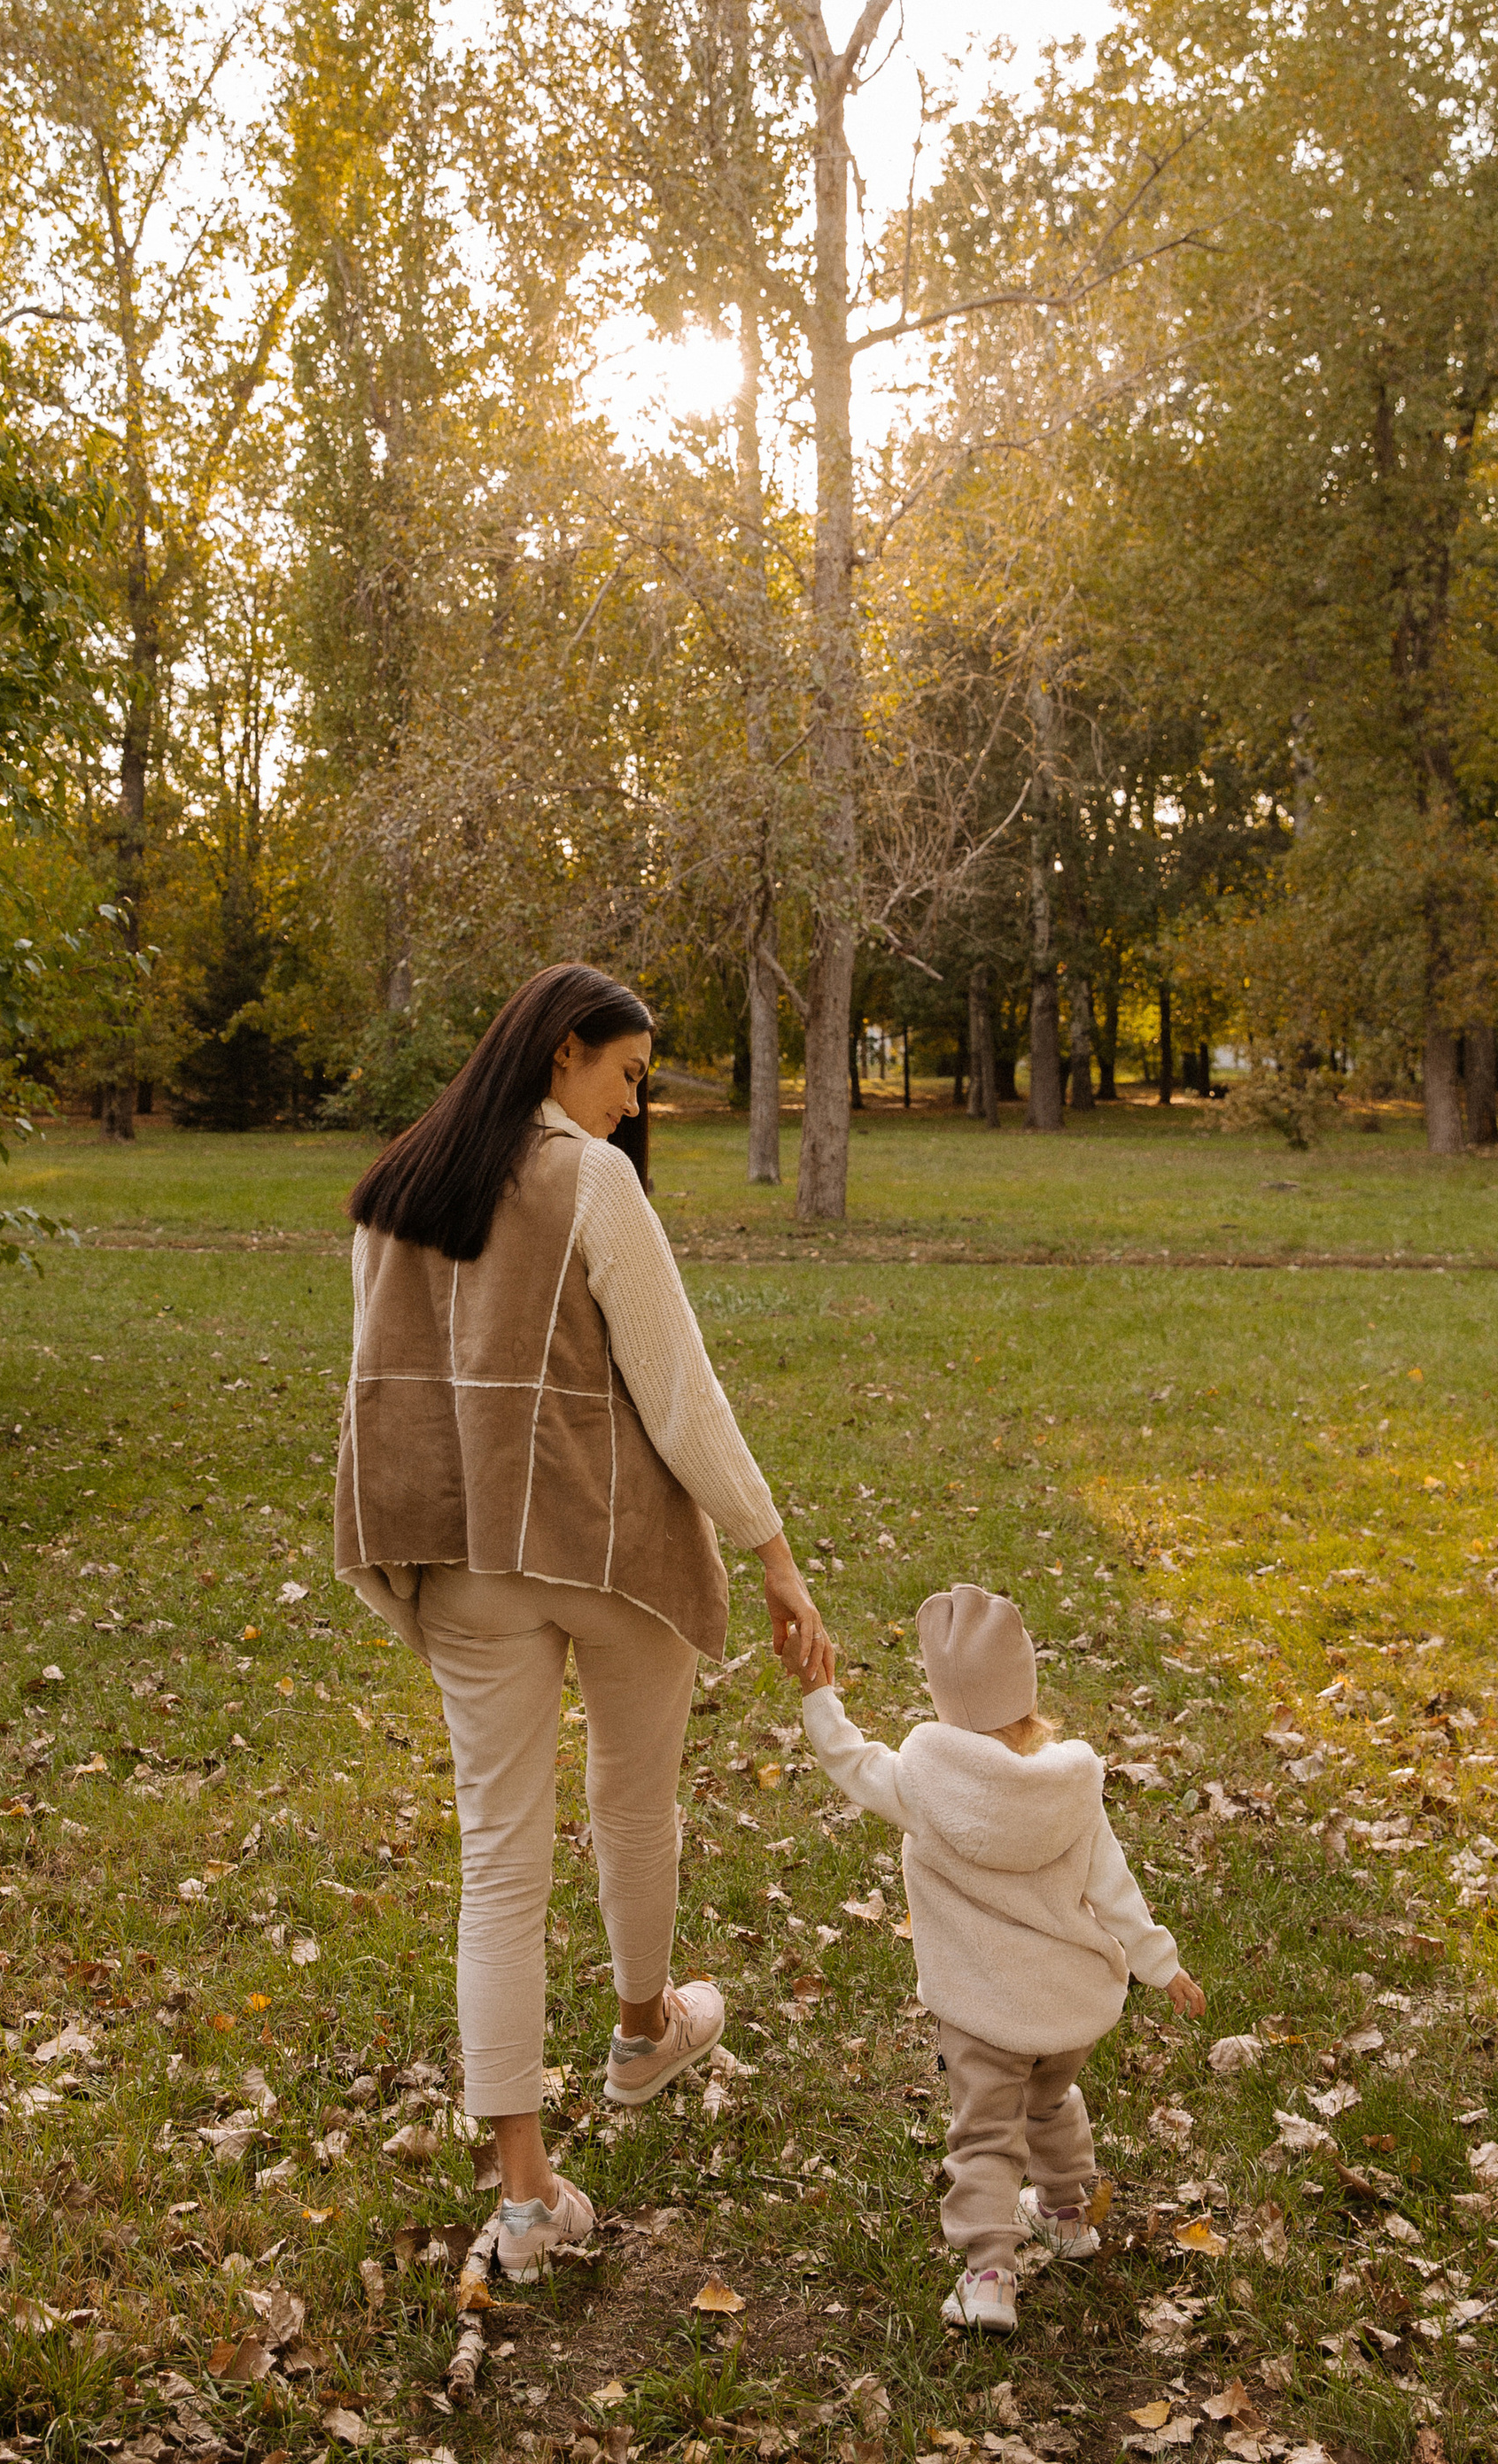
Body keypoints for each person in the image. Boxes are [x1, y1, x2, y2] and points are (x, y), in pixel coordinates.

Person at [334, 962, 827, 2281]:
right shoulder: (591, 1181)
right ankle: (641, 2025)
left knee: (499, 1857)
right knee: (634, 1803)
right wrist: (771, 1549)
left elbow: (381, 1391)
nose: (631, 1101)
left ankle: (524, 2194)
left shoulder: (395, 1191)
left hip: (468, 1554)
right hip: (609, 1549)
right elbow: (680, 1393)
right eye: (625, 1072)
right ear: (564, 1051)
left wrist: (407, 1566)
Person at [797, 1582, 1205, 2332]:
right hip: (1067, 2008)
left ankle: (988, 2272)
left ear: (944, 1698)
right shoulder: (1071, 1788)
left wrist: (821, 1696)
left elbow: (852, 1763)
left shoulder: (926, 1783)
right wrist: (1161, 1963)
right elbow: (1114, 1889)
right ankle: (1067, 2213)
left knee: (986, 2133)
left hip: (984, 2011)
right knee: (1051, 2101)